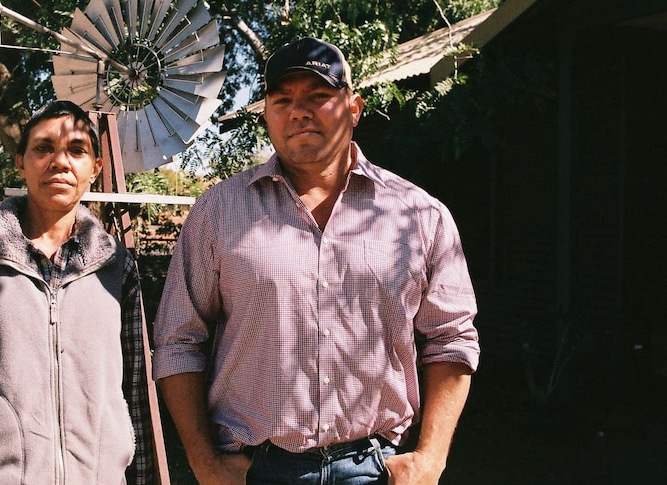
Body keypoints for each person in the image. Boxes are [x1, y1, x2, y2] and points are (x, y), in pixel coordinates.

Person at [152, 37, 480, 484]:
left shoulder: (419, 216)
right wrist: (204, 462)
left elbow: (452, 339)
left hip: (374, 469)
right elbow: (177, 341)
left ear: (354, 108)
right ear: (266, 115)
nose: (299, 111)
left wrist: (431, 459)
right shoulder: (219, 213)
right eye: (282, 99)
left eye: (319, 97)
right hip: (254, 468)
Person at [0, 100, 154, 484]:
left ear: (95, 168)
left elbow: (136, 394)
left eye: (76, 150)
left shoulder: (116, 268)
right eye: (43, 148)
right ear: (20, 161)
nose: (59, 161)